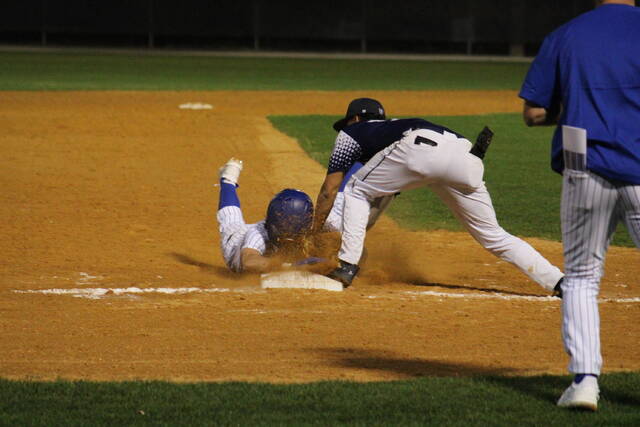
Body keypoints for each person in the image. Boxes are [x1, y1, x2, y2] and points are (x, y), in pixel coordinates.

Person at [312, 97, 564, 295]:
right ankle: (559, 282)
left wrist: (314, 230)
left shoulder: (351, 133)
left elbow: (329, 190)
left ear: (354, 118)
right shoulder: (392, 134)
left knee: (356, 190)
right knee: (493, 235)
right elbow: (378, 201)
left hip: (419, 150)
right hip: (467, 156)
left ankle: (346, 267)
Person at [519, 0, 640, 411]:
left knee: (583, 279)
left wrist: (575, 108)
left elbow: (533, 113)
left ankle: (585, 381)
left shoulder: (566, 34)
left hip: (583, 167)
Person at [217, 157, 364, 272]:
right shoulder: (258, 234)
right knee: (231, 219)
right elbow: (249, 261)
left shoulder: (318, 227)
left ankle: (361, 158)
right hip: (236, 243)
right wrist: (291, 267)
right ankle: (228, 179)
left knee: (340, 201)